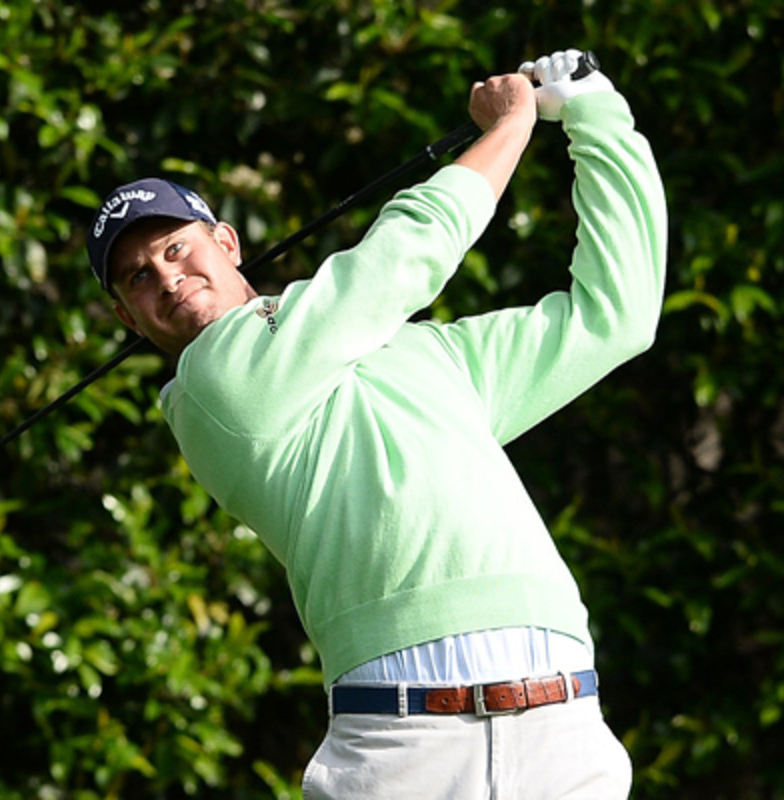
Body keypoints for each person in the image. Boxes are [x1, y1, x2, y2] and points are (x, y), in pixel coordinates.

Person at [86, 49, 666, 799]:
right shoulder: (210, 389)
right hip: (401, 748)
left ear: (225, 242)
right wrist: (512, 125)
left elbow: (613, 318)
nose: (167, 277)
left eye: (174, 248)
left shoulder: (426, 353)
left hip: (561, 729)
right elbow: (398, 261)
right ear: (127, 316)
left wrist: (596, 113)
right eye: (138, 277)